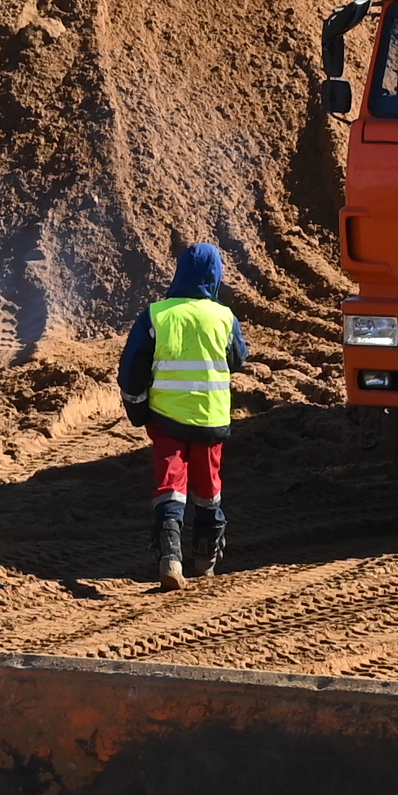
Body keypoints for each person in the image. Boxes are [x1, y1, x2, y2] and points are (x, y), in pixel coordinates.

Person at [119, 242, 238, 589]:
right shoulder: (224, 317)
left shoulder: (157, 315)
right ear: (216, 277)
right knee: (208, 490)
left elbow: (132, 369)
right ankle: (205, 559)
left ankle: (170, 559)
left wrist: (137, 408)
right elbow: (237, 359)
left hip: (166, 419)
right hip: (211, 421)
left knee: (170, 487)